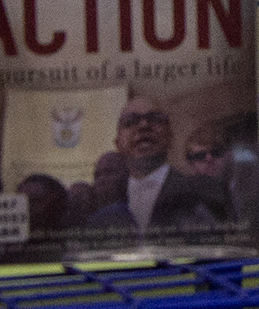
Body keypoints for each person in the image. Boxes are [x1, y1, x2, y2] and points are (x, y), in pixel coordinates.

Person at [75, 94, 232, 235]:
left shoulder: (206, 193)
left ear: (170, 137)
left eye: (156, 119)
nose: (144, 125)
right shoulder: (100, 217)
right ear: (118, 144)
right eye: (130, 122)